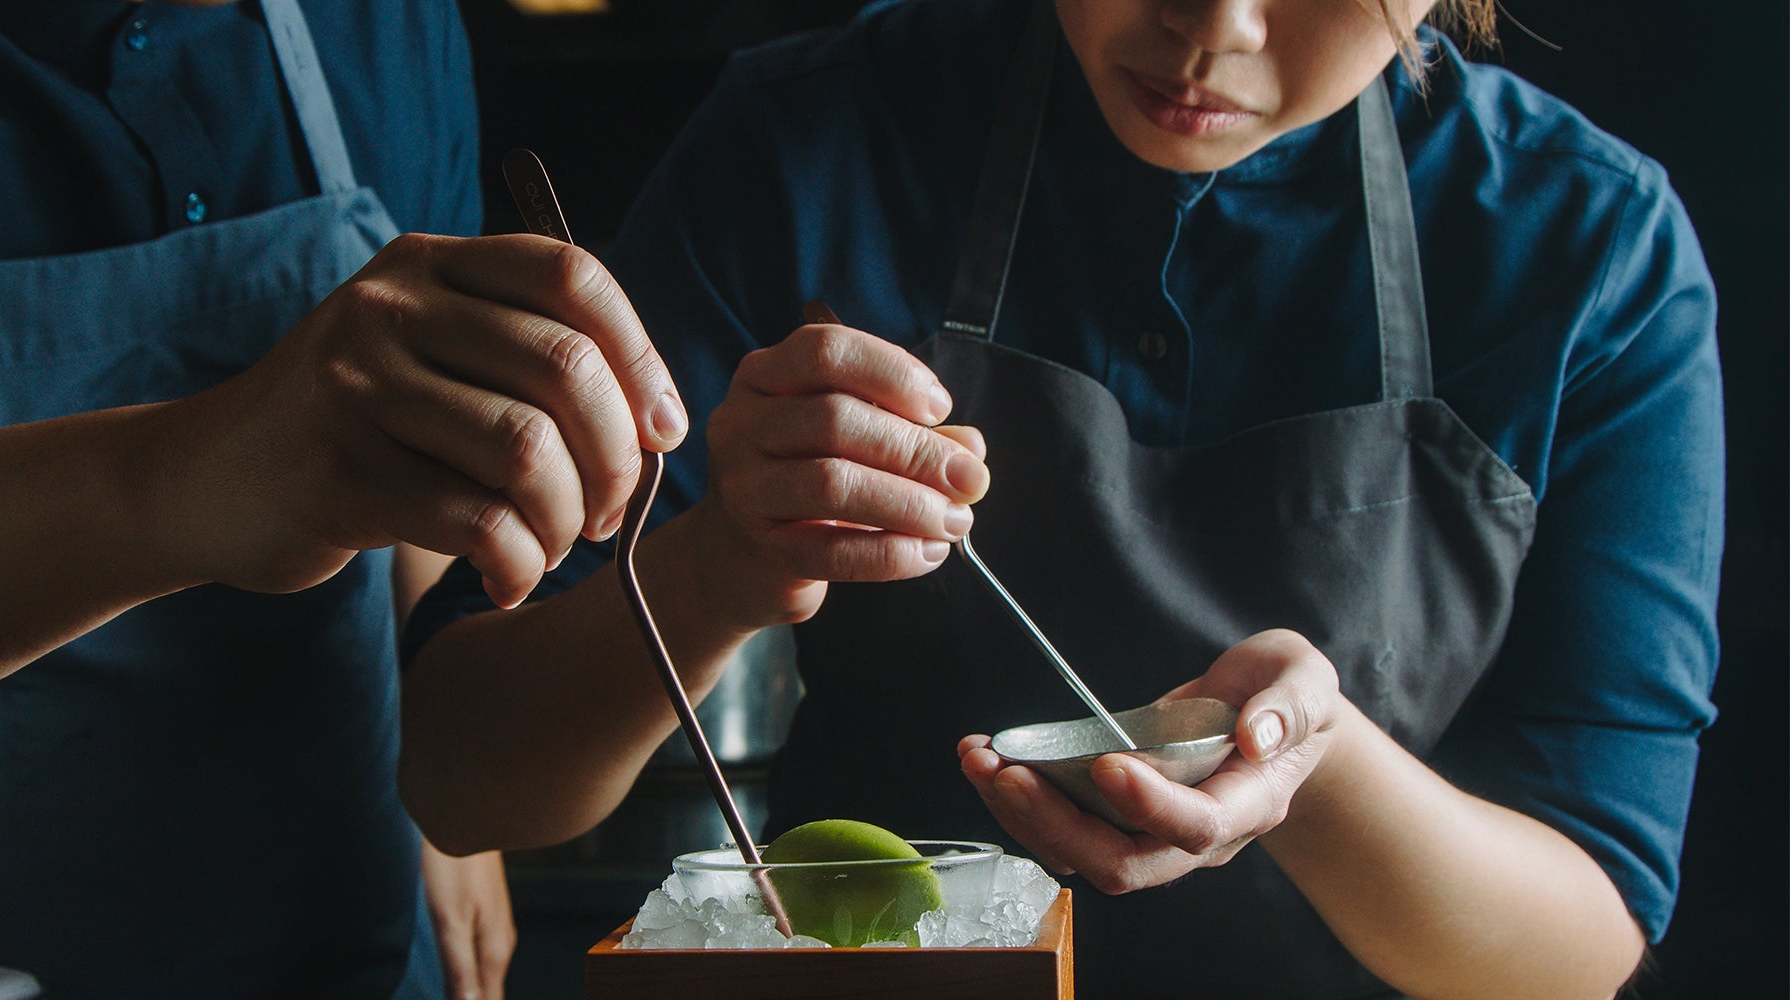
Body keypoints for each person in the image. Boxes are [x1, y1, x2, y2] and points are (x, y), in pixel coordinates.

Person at [395, 0, 1723, 996]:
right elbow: (460, 775)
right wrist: (727, 563)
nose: (1212, 29)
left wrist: (1302, 777)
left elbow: (1578, 945)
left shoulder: (1589, 249)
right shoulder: (823, 135)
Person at [0, 0, 686, 996]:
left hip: (347, 950)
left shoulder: (388, 27)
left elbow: (419, 498)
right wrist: (181, 473)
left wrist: (442, 800)